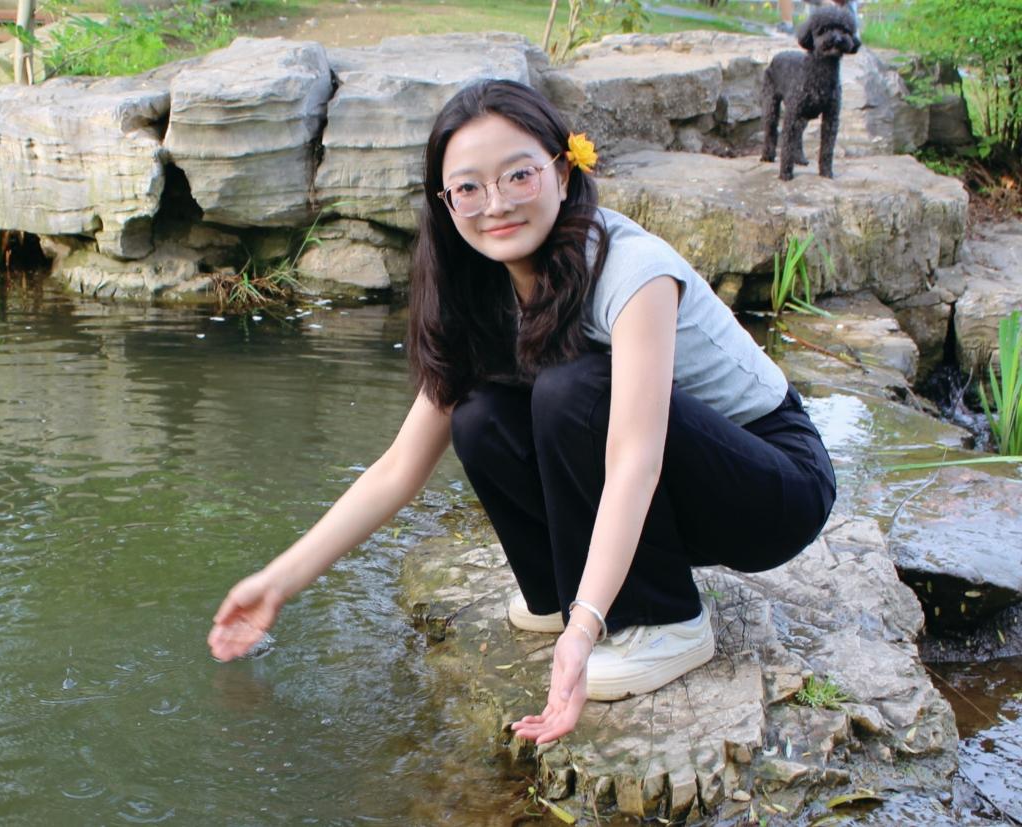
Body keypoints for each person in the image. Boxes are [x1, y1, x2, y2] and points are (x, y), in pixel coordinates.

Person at [207, 80, 836, 745]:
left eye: (518, 175)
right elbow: (399, 467)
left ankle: (665, 620)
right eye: (468, 187)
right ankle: (557, 592)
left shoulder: (632, 270)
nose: (496, 204)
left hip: (771, 486)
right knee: (478, 414)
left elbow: (635, 460)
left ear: (563, 172)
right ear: (445, 202)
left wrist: (587, 627)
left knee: (573, 390)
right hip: (675, 484)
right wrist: (278, 582)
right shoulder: (481, 289)